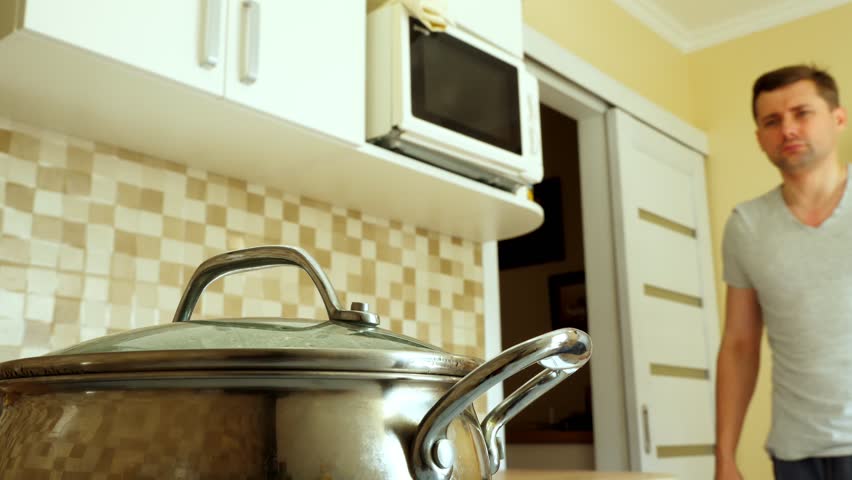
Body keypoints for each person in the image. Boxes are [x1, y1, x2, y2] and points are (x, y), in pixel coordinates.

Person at [715, 64, 850, 480]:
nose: (787, 129)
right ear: (760, 139)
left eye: (802, 113)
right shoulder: (746, 225)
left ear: (838, 118)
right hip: (794, 456)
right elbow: (739, 345)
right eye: (772, 121)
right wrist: (725, 455)